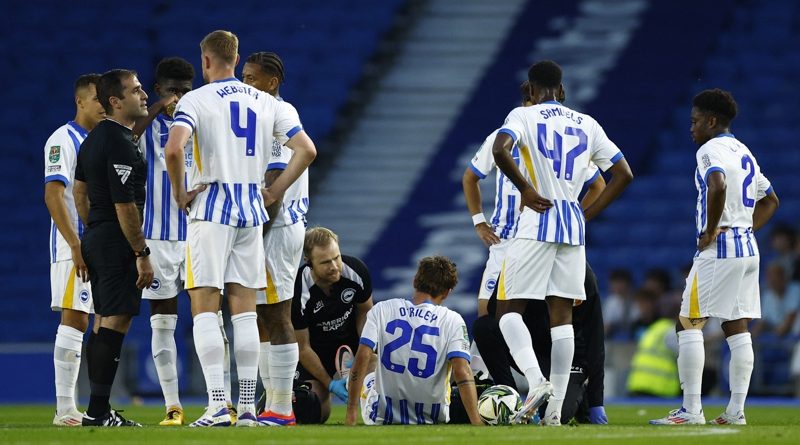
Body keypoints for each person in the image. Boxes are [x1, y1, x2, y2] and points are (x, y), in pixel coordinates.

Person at [165, 30, 316, 427]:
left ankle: (218, 406)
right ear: (235, 59)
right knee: (246, 313)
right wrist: (273, 192)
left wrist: (180, 192)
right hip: (251, 211)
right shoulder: (268, 103)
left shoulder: (195, 100)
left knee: (204, 306)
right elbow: (307, 150)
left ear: (207, 61)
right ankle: (248, 408)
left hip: (212, 208)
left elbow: (173, 147)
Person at [491, 60, 633, 425]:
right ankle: (554, 415)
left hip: (537, 220)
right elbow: (622, 174)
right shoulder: (588, 123)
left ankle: (536, 382)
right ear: (562, 89)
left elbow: (499, 150)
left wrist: (525, 189)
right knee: (562, 316)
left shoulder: (523, 116)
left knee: (507, 310)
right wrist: (585, 214)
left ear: (531, 89)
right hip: (572, 225)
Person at [650, 89, 779, 426]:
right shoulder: (742, 149)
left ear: (710, 120)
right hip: (748, 248)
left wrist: (710, 230)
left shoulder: (710, 149)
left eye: (694, 122)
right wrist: (743, 228)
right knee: (738, 328)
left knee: (688, 322)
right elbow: (771, 201)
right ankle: (736, 411)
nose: (690, 128)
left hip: (720, 248)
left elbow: (717, 185)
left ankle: (692, 410)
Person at [462, 81, 605, 318]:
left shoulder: (556, 140)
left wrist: (577, 216)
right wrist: (479, 221)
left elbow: (599, 184)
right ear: (525, 104)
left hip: (542, 236)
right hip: (506, 238)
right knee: (487, 314)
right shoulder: (500, 138)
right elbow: (470, 177)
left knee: (545, 316)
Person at [74, 69, 153, 427]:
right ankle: (97, 411)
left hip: (98, 234)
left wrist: (94, 227)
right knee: (115, 321)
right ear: (116, 102)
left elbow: (79, 191)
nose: (144, 94)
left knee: (103, 320)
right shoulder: (120, 142)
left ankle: (98, 410)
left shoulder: (92, 139)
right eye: (136, 91)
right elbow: (125, 206)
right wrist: (141, 253)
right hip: (115, 239)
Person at [240, 52, 312, 422]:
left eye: (252, 78)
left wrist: (252, 236)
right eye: (243, 76)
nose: (245, 83)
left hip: (275, 228)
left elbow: (272, 186)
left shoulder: (275, 118)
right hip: (280, 228)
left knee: (277, 315)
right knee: (262, 318)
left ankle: (282, 407)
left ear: (272, 82)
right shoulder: (267, 116)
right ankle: (270, 404)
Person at [130, 57, 196, 426]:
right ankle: (173, 405)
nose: (179, 98)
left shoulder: (201, 123)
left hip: (201, 234)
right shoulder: (149, 128)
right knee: (162, 322)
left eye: (185, 91)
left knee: (211, 319)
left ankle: (224, 401)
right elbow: (127, 134)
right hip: (158, 238)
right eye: (172, 91)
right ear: (158, 91)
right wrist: (158, 108)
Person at [345, 256, 482, 426]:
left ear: (414, 281)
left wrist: (351, 411)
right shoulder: (453, 320)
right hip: (432, 416)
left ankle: (347, 380)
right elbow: (462, 371)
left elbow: (362, 356)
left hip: (382, 415)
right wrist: (476, 421)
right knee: (456, 364)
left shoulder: (382, 309)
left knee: (371, 359)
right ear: (447, 292)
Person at [44, 73, 105, 426]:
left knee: (97, 321)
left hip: (99, 244)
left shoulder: (99, 139)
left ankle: (92, 406)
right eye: (97, 99)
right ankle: (65, 408)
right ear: (80, 101)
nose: (103, 105)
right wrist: (74, 244)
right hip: (75, 245)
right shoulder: (62, 139)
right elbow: (54, 194)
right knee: (76, 316)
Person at [289, 227, 374, 423]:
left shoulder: (356, 271)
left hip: (351, 349)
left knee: (375, 364)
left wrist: (364, 349)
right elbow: (303, 348)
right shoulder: (297, 290)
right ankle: (270, 400)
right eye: (326, 262)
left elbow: (366, 314)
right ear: (309, 263)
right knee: (310, 410)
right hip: (314, 354)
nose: (335, 266)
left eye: (337, 257)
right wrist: (331, 384)